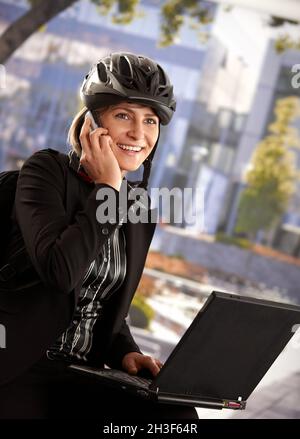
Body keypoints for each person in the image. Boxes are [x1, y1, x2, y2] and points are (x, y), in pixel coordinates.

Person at [0, 52, 197, 419]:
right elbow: (61, 272)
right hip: (18, 366)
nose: (139, 134)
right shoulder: (46, 173)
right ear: (93, 122)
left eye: (150, 120)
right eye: (124, 115)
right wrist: (107, 188)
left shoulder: (138, 208)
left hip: (82, 374)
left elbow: (106, 303)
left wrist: (127, 351)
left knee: (177, 418)